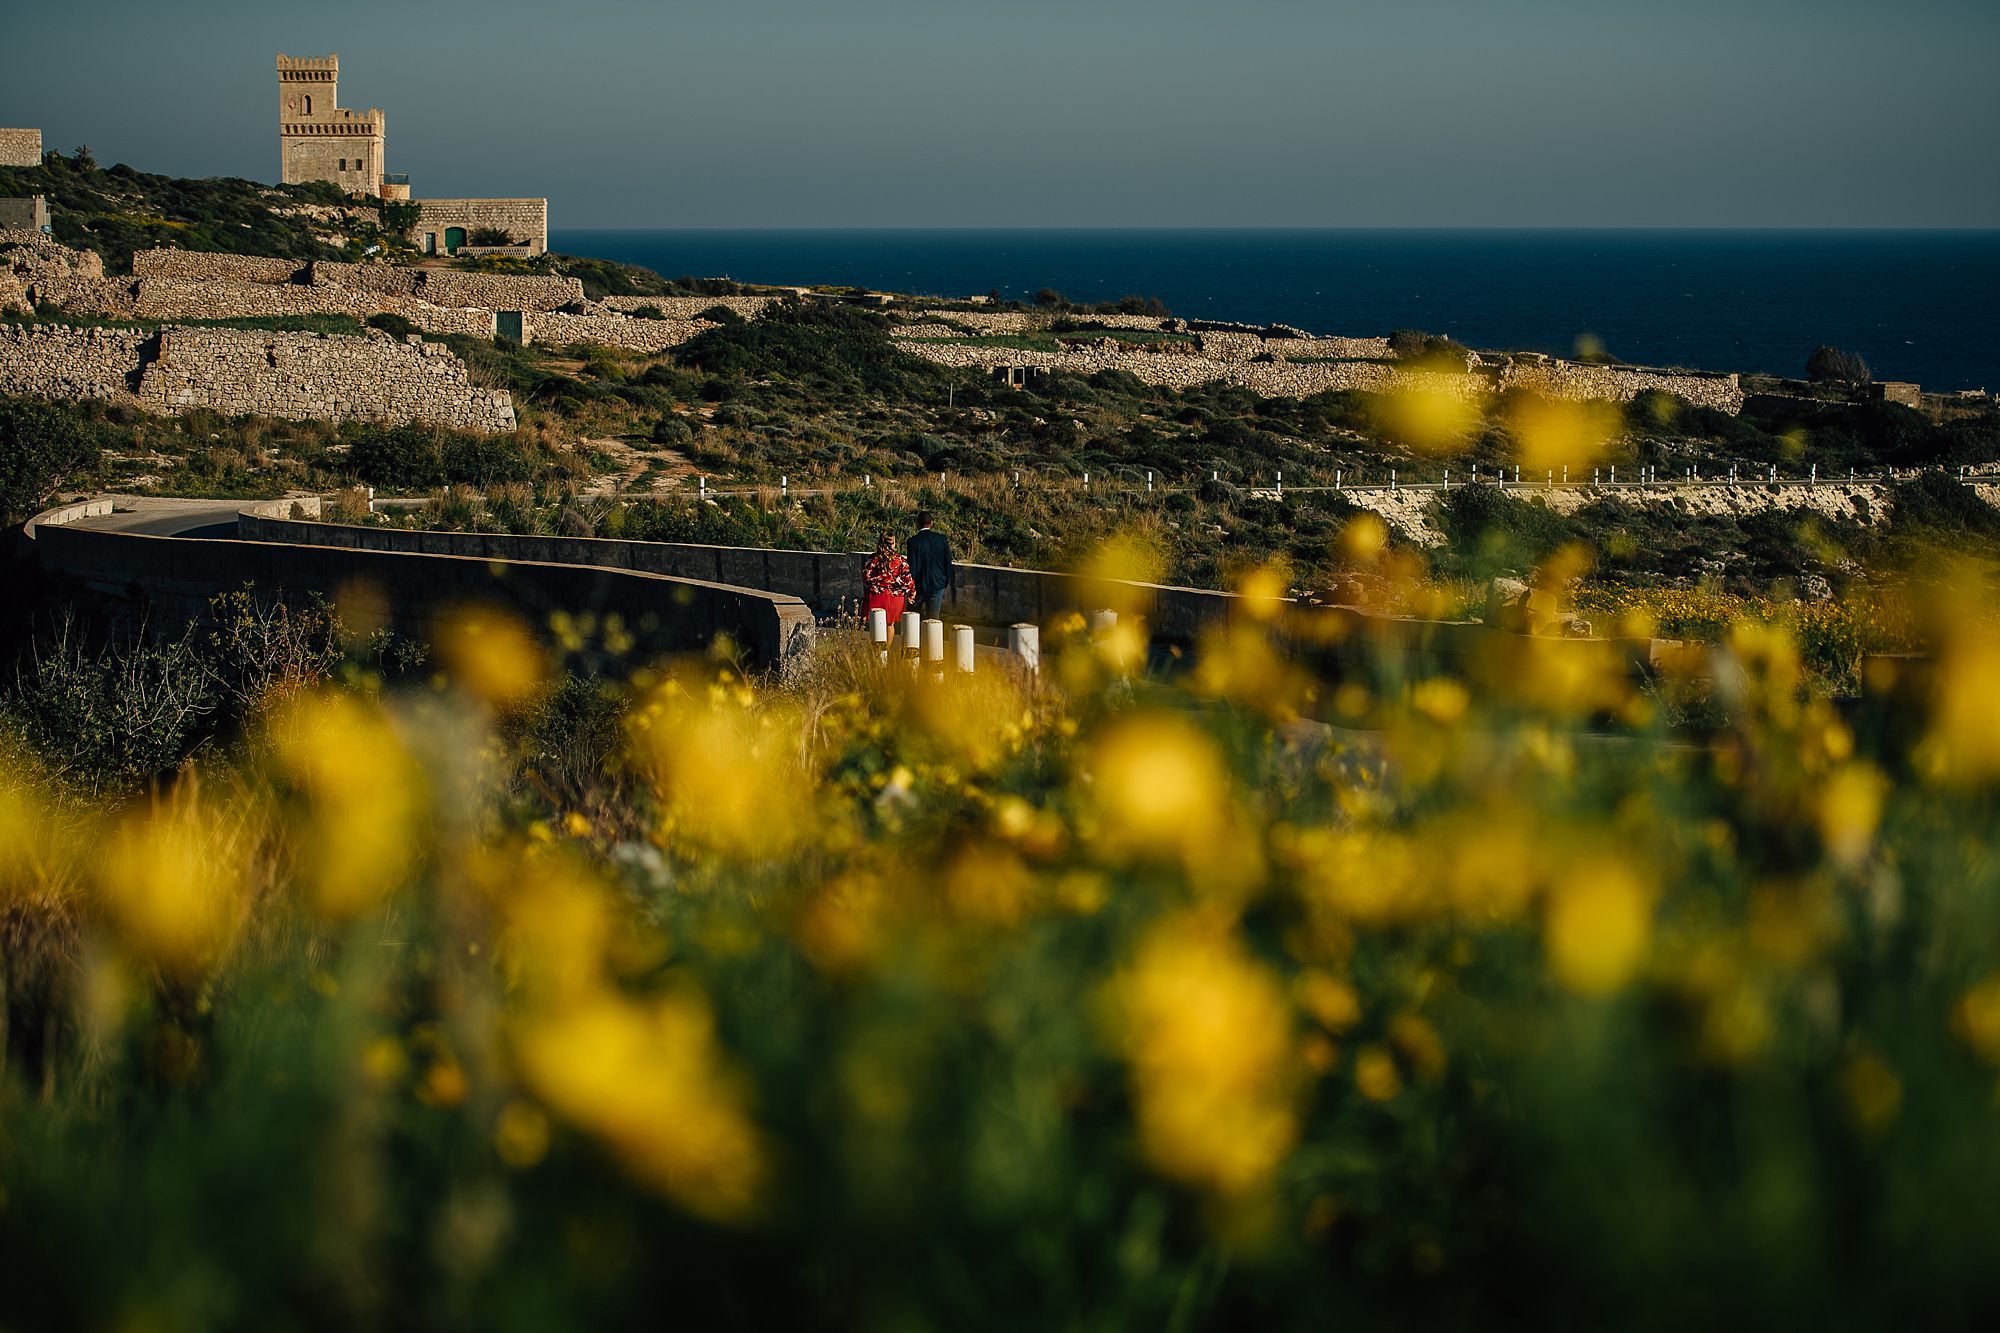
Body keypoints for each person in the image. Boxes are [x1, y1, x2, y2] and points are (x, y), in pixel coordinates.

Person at [906, 510, 954, 621]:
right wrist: (946, 580)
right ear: (931, 523)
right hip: (938, 583)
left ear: (917, 524)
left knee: (913, 616)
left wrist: (911, 587)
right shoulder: (941, 539)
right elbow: (948, 562)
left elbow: (912, 567)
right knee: (933, 617)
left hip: (919, 584)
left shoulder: (913, 542)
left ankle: (914, 637)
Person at [863, 528, 915, 628]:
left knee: (876, 625)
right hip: (895, 597)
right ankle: (887, 644)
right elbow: (908, 580)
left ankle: (878, 644)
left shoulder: (872, 559)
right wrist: (911, 592)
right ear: (893, 543)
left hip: (876, 596)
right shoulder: (900, 560)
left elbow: (866, 577)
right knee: (890, 625)